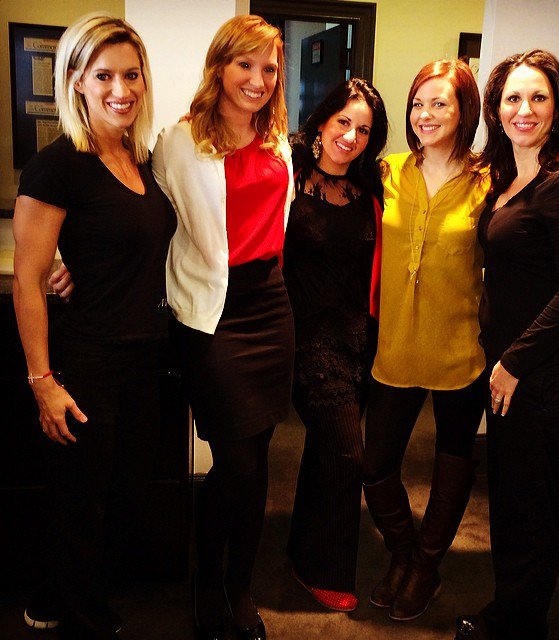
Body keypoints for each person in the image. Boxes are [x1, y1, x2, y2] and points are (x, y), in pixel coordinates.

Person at [13, 12, 176, 640]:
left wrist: (79, 265)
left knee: (125, 495)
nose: (121, 89)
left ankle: (53, 596)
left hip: (143, 357)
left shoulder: (139, 158)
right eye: (104, 75)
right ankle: (86, 621)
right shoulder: (57, 165)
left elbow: (123, 246)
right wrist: (42, 381)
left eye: (131, 75)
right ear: (76, 80)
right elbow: (27, 280)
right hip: (86, 361)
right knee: (81, 504)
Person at [151, 15, 294, 640]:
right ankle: (207, 582)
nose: (258, 79)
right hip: (212, 315)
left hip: (270, 305)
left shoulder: (277, 139)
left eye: (270, 68)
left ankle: (241, 588)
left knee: (256, 463)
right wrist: (72, 260)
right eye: (246, 65)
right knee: (234, 462)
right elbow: (143, 213)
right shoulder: (180, 140)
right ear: (220, 66)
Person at [455, 50, 559, 640]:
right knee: (512, 503)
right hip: (512, 375)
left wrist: (513, 362)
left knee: (532, 513)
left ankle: (518, 626)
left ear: (558, 108)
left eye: (539, 97)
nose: (525, 109)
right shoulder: (511, 179)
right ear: (496, 108)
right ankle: (508, 613)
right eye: (513, 98)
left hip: (543, 377)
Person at [361, 59, 490, 622]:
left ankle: (426, 568)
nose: (425, 114)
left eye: (440, 103)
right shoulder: (386, 172)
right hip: (395, 346)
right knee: (375, 465)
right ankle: (404, 553)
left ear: (465, 112)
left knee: (452, 466)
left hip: (461, 349)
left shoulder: (489, 181)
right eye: (418, 103)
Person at [283, 78, 388, 612]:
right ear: (322, 121)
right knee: (348, 453)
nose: (351, 136)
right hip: (305, 341)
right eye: (343, 122)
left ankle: (303, 550)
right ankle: (326, 570)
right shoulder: (288, 178)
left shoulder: (373, 192)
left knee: (325, 451)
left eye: (363, 129)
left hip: (359, 341)